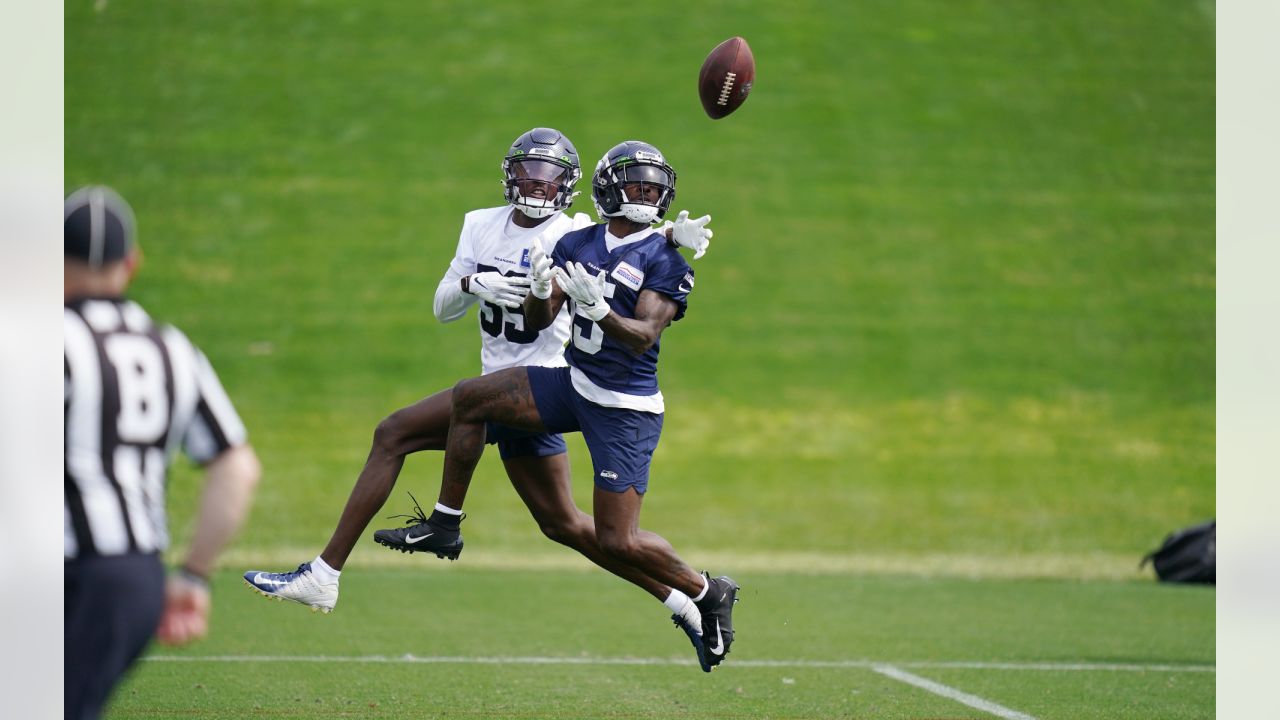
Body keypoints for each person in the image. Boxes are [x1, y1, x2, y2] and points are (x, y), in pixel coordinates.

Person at [241, 128, 716, 665]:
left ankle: (347, 565)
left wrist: (672, 235)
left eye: (550, 177)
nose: (537, 186)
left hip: (536, 388)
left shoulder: (573, 229)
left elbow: (625, 238)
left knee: (394, 432)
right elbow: (443, 307)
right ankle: (684, 601)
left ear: (572, 186)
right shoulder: (479, 224)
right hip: (510, 388)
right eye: (527, 174)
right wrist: (474, 286)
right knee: (566, 525)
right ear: (509, 174)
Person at [405, 140, 739, 671]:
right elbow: (541, 321)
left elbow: (641, 336)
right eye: (637, 185)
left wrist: (600, 309)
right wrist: (540, 288)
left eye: (654, 188)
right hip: (572, 385)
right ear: (609, 187)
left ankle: (706, 590)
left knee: (617, 540)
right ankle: (445, 521)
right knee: (471, 397)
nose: (647, 196)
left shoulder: (667, 258)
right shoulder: (578, 241)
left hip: (623, 407)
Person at [64, 185, 262, 719]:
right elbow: (236, 466)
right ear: (131, 263)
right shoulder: (172, 348)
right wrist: (194, 573)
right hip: (133, 582)